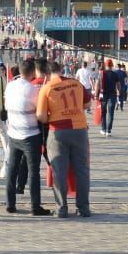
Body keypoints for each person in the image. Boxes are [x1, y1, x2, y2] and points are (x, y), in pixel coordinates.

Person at [36, 59, 92, 219]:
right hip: (79, 129)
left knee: (59, 170)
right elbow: (88, 104)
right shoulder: (76, 83)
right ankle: (83, 208)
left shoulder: (47, 88)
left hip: (58, 131)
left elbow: (40, 115)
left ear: (46, 73)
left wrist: (50, 118)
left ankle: (61, 208)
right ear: (61, 69)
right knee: (82, 169)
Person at [3, 59, 51, 215]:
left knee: (12, 169)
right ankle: (35, 206)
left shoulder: (10, 86)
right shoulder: (33, 90)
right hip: (30, 135)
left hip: (13, 133)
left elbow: (6, 105)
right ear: (32, 73)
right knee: (33, 172)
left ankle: (10, 203)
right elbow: (41, 111)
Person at [99, 59, 119, 136]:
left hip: (103, 94)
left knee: (103, 112)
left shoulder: (102, 73)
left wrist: (96, 94)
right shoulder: (115, 74)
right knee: (111, 113)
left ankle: (103, 129)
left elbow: (98, 83)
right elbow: (118, 84)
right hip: (112, 95)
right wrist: (119, 91)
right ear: (112, 65)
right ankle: (108, 130)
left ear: (105, 65)